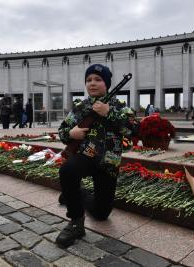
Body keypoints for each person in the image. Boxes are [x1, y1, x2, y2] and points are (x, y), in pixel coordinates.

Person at [55, 64, 134, 248]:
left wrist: (109, 113)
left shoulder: (119, 107)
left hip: (109, 162)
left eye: (98, 79)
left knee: (101, 214)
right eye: (89, 80)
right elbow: (62, 131)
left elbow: (132, 129)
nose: (92, 83)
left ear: (106, 84)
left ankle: (75, 194)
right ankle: (76, 221)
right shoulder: (80, 107)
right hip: (86, 155)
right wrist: (71, 134)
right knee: (68, 170)